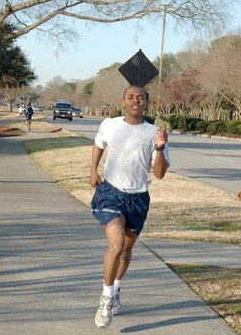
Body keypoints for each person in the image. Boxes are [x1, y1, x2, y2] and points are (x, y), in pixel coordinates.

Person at [89, 85, 169, 328]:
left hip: (138, 199)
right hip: (111, 193)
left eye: (140, 98)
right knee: (116, 245)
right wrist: (93, 169)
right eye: (131, 97)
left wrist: (160, 148)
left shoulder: (155, 132)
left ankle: (116, 288)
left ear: (146, 103)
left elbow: (159, 174)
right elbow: (99, 144)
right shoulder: (109, 125)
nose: (136, 100)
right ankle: (106, 299)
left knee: (125, 251)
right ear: (123, 102)